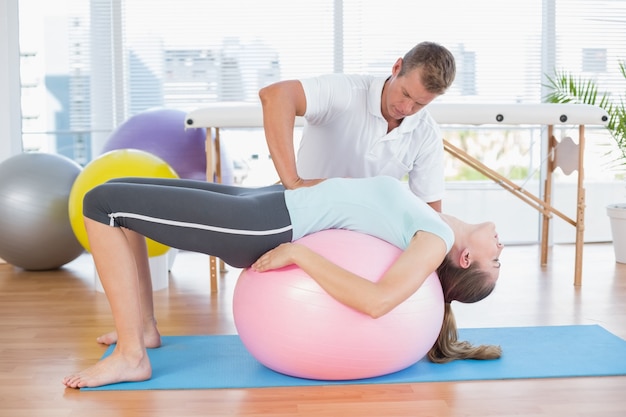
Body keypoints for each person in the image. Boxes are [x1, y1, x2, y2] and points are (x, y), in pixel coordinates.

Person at [62, 175, 503, 389]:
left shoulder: (437, 237)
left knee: (102, 205)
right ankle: (142, 330)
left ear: (465, 259)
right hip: (274, 200)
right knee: (115, 191)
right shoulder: (433, 218)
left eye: (497, 261)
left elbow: (378, 301)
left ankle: (131, 355)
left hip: (270, 224)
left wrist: (299, 255)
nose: (502, 249)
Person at [259, 41, 456, 212]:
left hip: (363, 232)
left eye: (420, 104)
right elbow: (276, 96)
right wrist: (293, 183)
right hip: (305, 214)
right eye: (405, 93)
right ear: (397, 67)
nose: (406, 108)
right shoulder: (348, 92)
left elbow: (432, 213)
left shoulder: (426, 133)